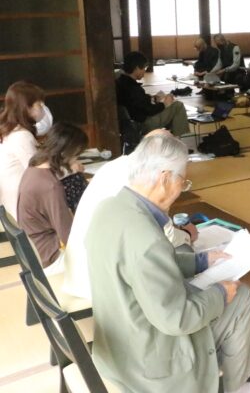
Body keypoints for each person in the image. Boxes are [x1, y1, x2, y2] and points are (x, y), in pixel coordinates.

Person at [85, 133, 250, 393]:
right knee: (239, 295)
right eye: (183, 181)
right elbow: (177, 320)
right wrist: (221, 293)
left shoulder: (109, 208)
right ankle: (238, 387)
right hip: (152, 363)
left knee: (221, 294)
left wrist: (199, 261)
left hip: (120, 340)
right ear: (165, 179)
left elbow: (137, 265)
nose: (182, 188)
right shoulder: (145, 237)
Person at [62, 129, 198, 300]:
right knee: (183, 253)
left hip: (78, 268)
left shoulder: (116, 166)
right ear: (166, 171)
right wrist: (186, 235)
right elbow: (163, 238)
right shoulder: (141, 183)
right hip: (99, 283)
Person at [17, 122, 88, 273]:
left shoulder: (33, 167)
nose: (76, 159)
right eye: (76, 155)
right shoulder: (50, 187)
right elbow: (68, 236)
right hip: (50, 257)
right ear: (66, 153)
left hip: (33, 249)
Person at [116, 51, 190, 137]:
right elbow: (149, 110)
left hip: (130, 122)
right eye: (144, 68)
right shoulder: (133, 88)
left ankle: (169, 140)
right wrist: (164, 104)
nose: (145, 71)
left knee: (170, 109)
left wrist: (152, 98)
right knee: (177, 106)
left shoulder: (121, 81)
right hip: (143, 124)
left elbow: (138, 102)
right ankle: (177, 143)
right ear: (136, 68)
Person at [0, 81, 45, 221]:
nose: (43, 109)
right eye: (40, 105)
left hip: (10, 205)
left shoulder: (8, 130)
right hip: (23, 209)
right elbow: (39, 174)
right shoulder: (21, 136)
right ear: (26, 108)